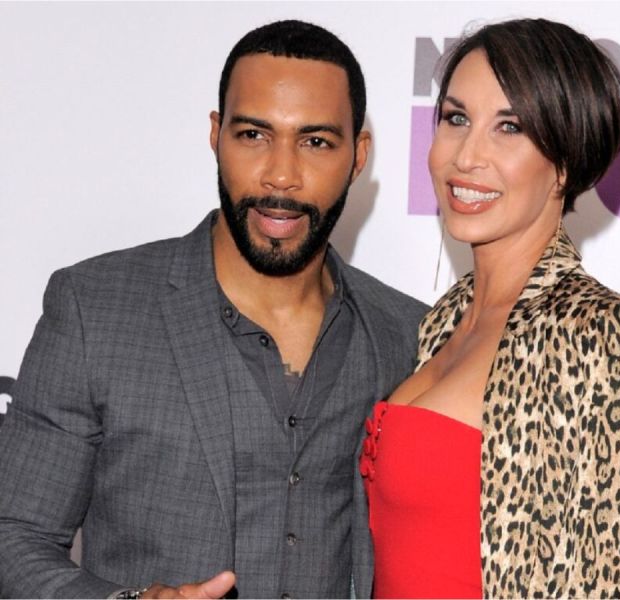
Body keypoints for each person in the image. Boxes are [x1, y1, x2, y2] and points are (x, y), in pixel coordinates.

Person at [0, 19, 427, 599]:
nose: (281, 174)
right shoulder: (95, 309)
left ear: (359, 156)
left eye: (316, 141)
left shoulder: (410, 335)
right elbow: (14, 535)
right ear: (216, 134)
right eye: (254, 135)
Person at [360, 18, 620, 598]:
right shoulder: (438, 324)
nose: (467, 156)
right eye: (456, 119)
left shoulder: (603, 333)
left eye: (509, 127)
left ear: (564, 162)